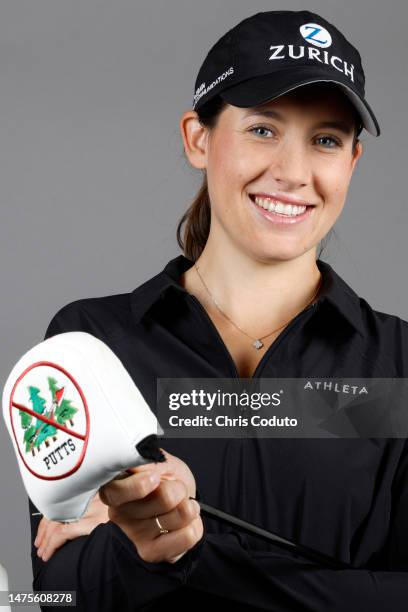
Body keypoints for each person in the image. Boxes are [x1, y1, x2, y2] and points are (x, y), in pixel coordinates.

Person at [28, 9, 408, 611]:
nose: (291, 172)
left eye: (326, 140)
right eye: (263, 129)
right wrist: (145, 546)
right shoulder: (90, 346)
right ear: (198, 138)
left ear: (352, 163)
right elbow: (59, 598)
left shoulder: (397, 366)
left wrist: (188, 555)